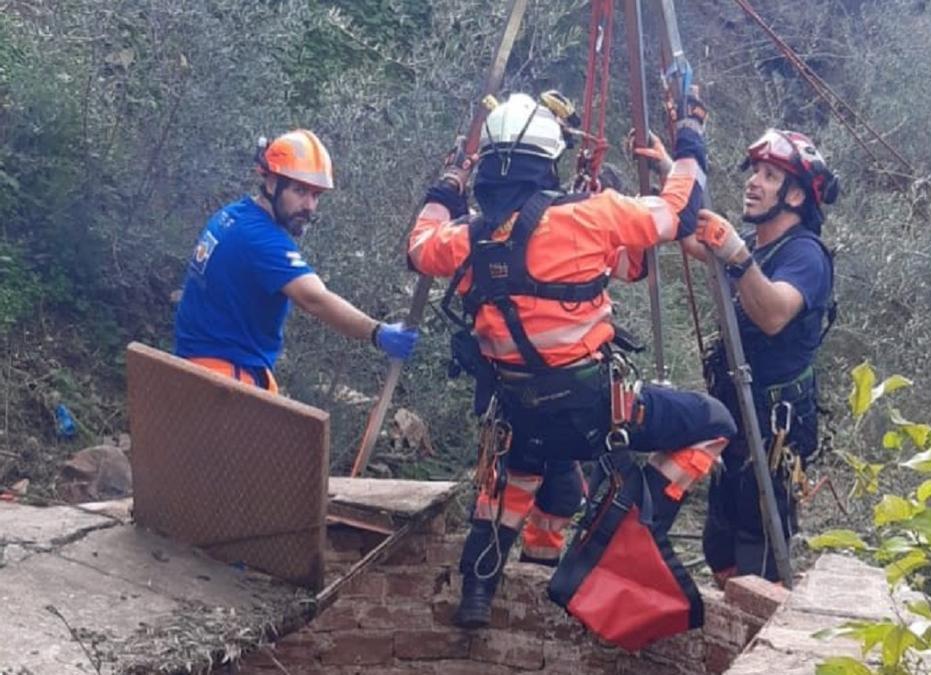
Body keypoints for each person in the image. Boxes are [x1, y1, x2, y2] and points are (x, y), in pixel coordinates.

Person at [407, 92, 735, 640]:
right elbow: (678, 214)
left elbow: (418, 247)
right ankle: (620, 522)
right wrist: (690, 140)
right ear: (548, 163)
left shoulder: (463, 239)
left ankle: (478, 591)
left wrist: (444, 190)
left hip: (520, 409)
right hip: (595, 412)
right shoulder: (589, 217)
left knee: (515, 480)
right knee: (714, 422)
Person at [688, 128, 840, 585]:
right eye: (755, 172)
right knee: (720, 542)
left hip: (777, 425)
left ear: (795, 195)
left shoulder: (806, 256)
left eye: (769, 175)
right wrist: (676, 166)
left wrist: (735, 254)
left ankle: (758, 629)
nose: (754, 182)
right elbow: (690, 238)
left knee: (758, 543)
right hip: (737, 412)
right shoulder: (761, 246)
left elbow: (774, 313)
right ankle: (728, 627)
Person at [174, 129, 418, 392]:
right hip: (225, 384)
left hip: (194, 370)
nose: (309, 205)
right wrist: (378, 332)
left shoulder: (232, 215)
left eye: (316, 195)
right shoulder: (263, 240)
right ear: (271, 182)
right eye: (300, 190)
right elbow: (315, 299)